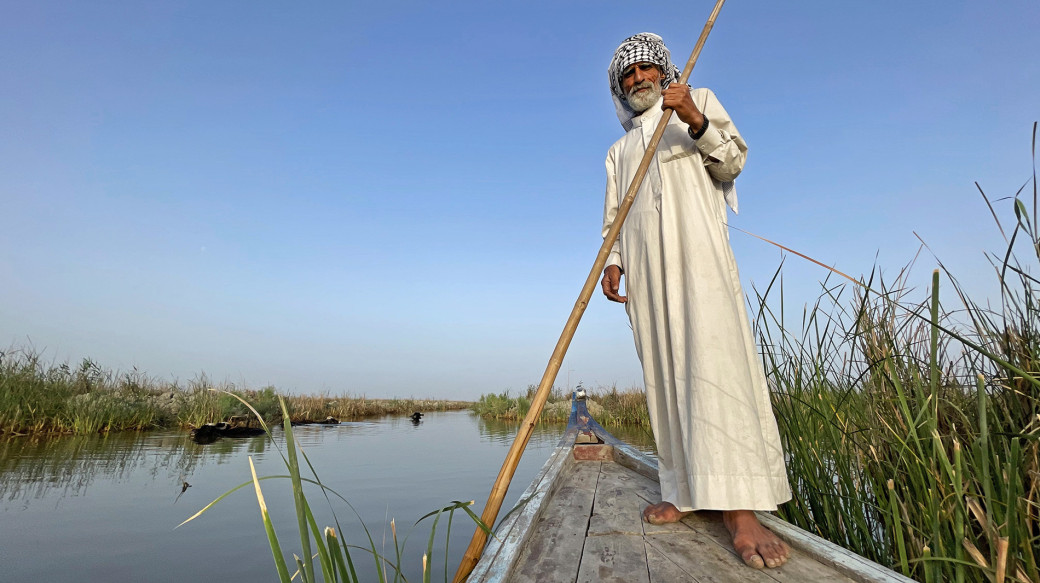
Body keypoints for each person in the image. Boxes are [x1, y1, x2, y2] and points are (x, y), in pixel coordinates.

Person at [599, 32, 793, 570]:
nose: (638, 79)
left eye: (645, 70)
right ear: (620, 88)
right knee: (664, 372)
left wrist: (693, 118)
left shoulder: (696, 101)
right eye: (628, 75)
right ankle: (682, 490)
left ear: (664, 71)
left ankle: (738, 509)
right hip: (646, 271)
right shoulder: (618, 152)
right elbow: (614, 218)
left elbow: (731, 164)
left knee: (715, 367)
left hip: (698, 261)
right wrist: (613, 261)